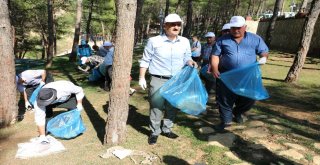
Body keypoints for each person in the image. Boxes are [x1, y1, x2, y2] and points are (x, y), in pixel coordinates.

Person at [138, 13, 197, 145]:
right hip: (158, 79)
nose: (176, 27)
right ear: (165, 26)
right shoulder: (154, 41)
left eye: (178, 24)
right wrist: (142, 77)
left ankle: (167, 129)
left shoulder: (185, 41)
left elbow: (187, 56)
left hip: (177, 79)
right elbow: (145, 60)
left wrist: (190, 61)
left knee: (173, 105)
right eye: (172, 24)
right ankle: (154, 132)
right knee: (156, 106)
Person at [211, 16, 269, 131]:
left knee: (249, 98)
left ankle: (238, 112)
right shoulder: (222, 40)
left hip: (247, 77)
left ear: (244, 27)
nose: (236, 30)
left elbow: (264, 51)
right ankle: (226, 122)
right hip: (227, 75)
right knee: (225, 99)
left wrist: (263, 58)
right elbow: (215, 55)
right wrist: (214, 68)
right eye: (233, 28)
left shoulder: (255, 39)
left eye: (239, 27)